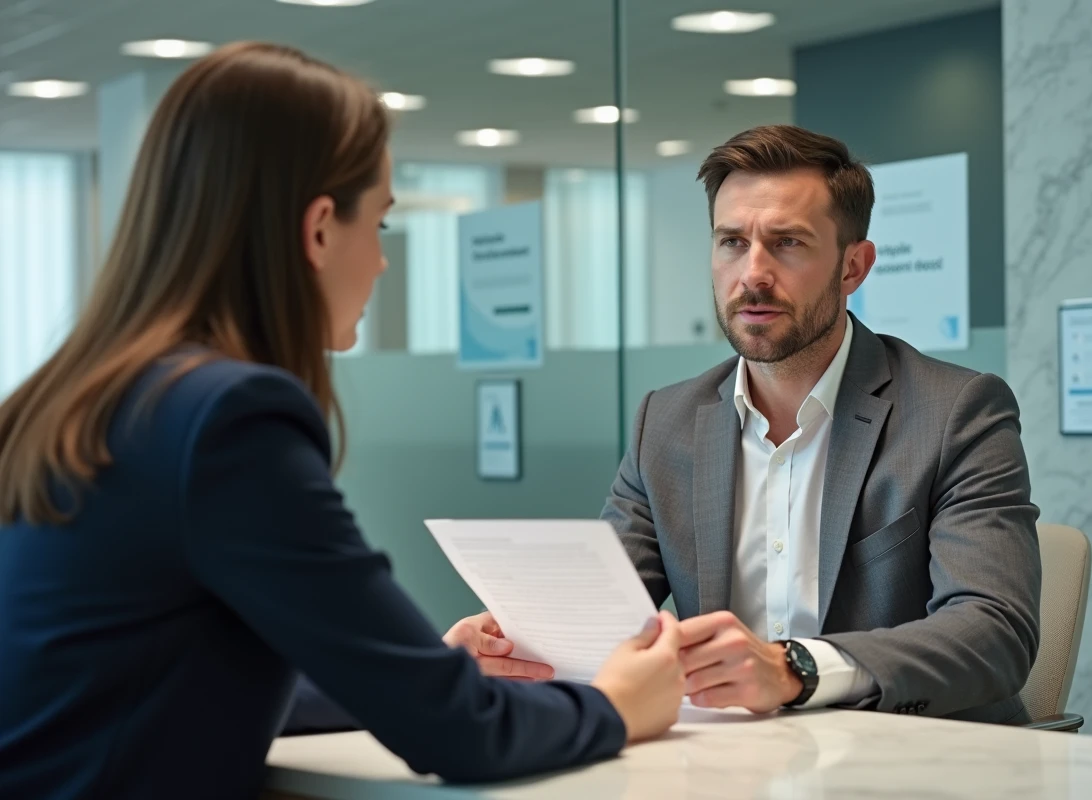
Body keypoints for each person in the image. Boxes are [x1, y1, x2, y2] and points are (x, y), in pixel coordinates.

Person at [0, 42, 685, 800]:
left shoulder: (76, 397)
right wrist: (615, 705)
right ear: (320, 228)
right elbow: (460, 736)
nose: (383, 264)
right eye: (382, 226)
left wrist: (419, 672)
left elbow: (164, 672)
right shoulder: (227, 419)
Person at [451, 124, 1042, 725]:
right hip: (730, 762)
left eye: (787, 243)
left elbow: (993, 631)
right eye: (732, 242)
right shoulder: (668, 422)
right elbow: (601, 610)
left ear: (853, 267)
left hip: (914, 763)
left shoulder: (957, 411)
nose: (753, 273)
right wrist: (511, 639)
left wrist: (795, 670)